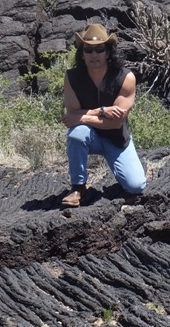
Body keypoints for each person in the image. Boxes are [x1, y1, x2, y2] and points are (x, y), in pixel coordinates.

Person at [61, 23, 147, 207]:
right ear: (81, 54)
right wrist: (102, 111)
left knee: (136, 186)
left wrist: (82, 117)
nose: (94, 55)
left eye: (99, 49)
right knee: (77, 134)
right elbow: (72, 115)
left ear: (108, 52)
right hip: (88, 135)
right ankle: (78, 187)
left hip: (116, 138)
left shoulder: (125, 77)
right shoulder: (72, 77)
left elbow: (115, 124)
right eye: (88, 50)